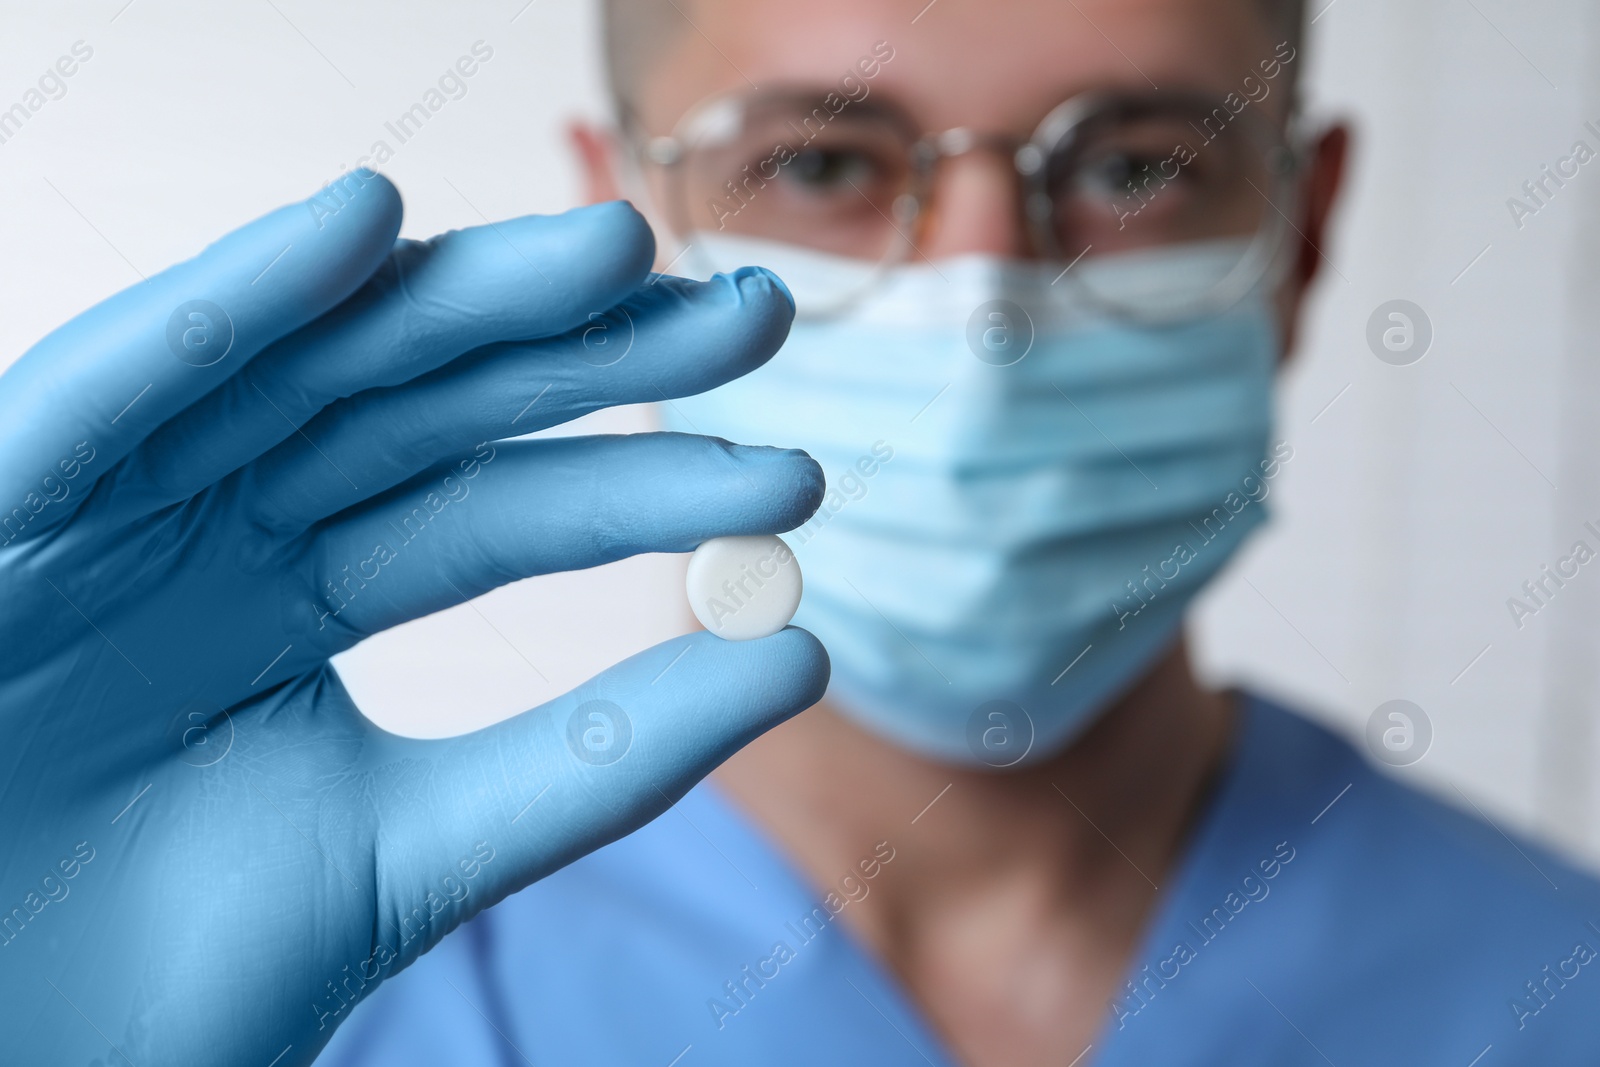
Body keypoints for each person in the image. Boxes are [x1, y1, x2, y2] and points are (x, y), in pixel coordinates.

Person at [5, 4, 1599, 1067]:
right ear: (628, 216)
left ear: (1300, 234)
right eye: (825, 162)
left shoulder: (1553, 985)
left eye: (1139, 166)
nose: (987, 303)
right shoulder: (314, 991)